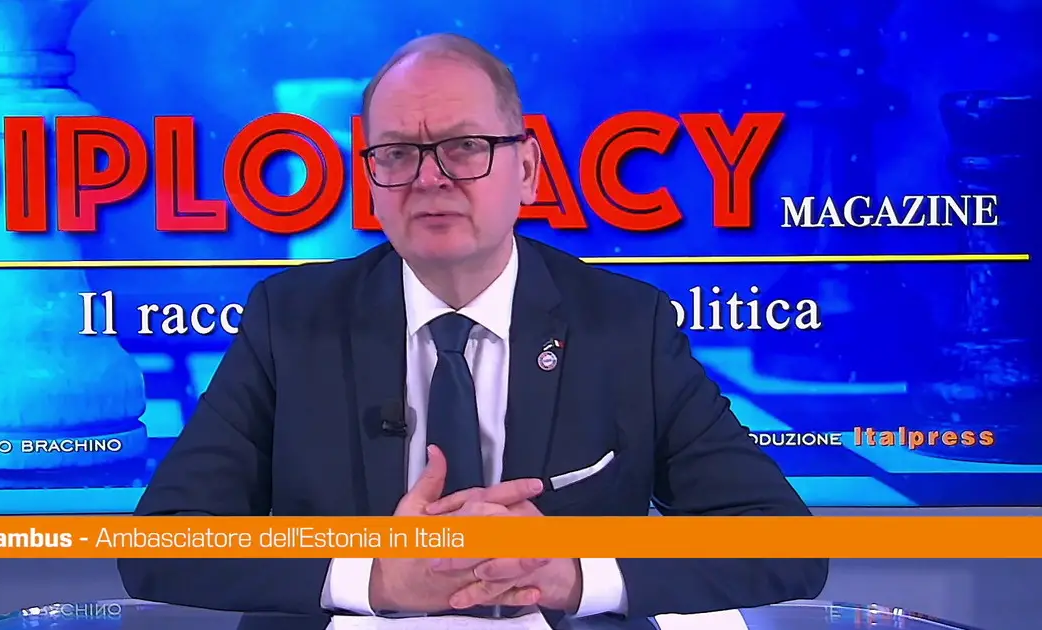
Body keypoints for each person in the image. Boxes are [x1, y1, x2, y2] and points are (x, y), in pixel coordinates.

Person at [118, 33, 828, 619]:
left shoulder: (625, 324)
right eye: (397, 153)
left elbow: (783, 543)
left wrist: (573, 573)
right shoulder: (291, 320)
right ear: (370, 180)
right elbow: (161, 544)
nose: (430, 178)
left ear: (528, 171)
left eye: (464, 146)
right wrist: (373, 576)